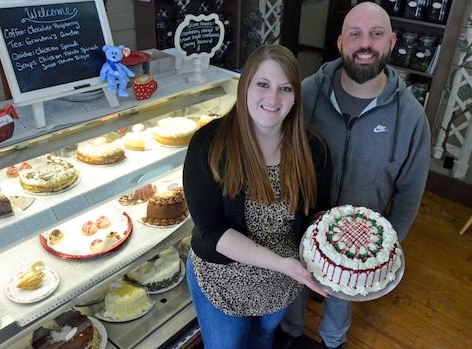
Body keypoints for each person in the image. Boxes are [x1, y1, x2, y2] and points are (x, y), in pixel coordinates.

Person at [278, 2, 431, 349]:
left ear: (391, 42)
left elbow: (409, 192)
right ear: (340, 43)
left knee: (342, 294)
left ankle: (333, 341)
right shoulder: (306, 95)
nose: (365, 44)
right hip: (300, 223)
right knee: (295, 289)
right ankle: (289, 334)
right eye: (355, 34)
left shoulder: (410, 116)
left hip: (360, 244)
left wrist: (387, 247)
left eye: (376, 34)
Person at [182, 44, 332, 349]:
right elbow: (212, 230)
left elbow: (316, 214)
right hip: (222, 281)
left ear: (295, 98)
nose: (273, 98)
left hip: (280, 283)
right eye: (263, 84)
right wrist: (282, 264)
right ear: (245, 85)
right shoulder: (209, 145)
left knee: (264, 339)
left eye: (285, 88)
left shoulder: (313, 148)